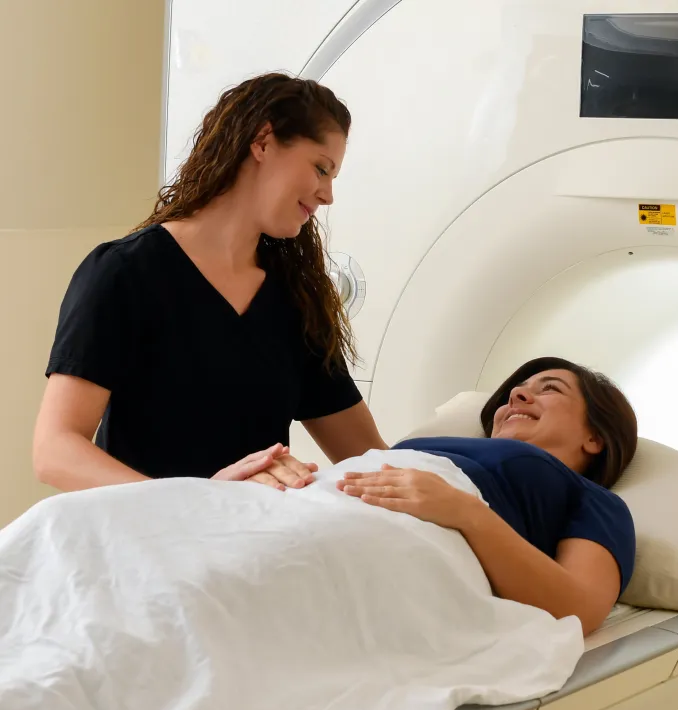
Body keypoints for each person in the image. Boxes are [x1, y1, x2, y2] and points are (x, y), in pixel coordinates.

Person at [33, 73, 386, 494]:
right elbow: (55, 450)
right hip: (151, 539)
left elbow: (368, 457)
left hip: (255, 544)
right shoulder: (125, 273)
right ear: (263, 141)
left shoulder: (295, 302)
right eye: (321, 168)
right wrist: (196, 504)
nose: (328, 195)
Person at [337, 357, 639, 635]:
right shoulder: (440, 444)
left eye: (550, 389)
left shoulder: (595, 500)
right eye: (517, 391)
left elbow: (581, 610)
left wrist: (466, 512)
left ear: (595, 438)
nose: (515, 396)